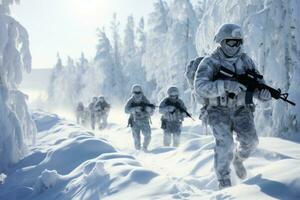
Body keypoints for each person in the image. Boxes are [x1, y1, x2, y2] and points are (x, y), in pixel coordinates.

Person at [194, 23, 272, 189]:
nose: (236, 46)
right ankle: (224, 181)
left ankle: (238, 160)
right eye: (231, 42)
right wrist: (225, 86)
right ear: (221, 41)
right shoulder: (210, 62)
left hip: (241, 109)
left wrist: (263, 94)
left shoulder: (246, 61)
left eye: (239, 42)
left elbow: (258, 84)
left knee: (251, 141)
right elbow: (200, 86)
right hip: (217, 110)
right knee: (225, 144)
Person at [125, 84, 155, 151]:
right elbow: (126, 110)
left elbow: (152, 112)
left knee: (148, 136)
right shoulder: (130, 101)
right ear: (133, 93)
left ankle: (144, 148)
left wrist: (149, 110)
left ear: (141, 92)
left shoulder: (145, 100)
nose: (137, 94)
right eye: (136, 92)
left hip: (144, 121)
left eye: (139, 92)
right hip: (134, 121)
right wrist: (134, 109)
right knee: (136, 138)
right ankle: (138, 152)